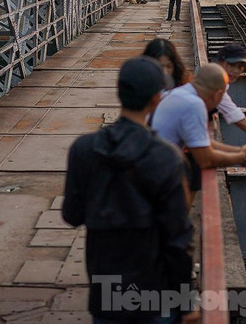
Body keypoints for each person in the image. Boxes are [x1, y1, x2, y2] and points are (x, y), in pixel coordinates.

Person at [62, 57, 194, 323]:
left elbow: (72, 215)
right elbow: (178, 239)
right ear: (157, 99)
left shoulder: (84, 149)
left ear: (119, 92)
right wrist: (186, 301)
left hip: (105, 293)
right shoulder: (166, 157)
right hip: (154, 293)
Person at [151, 63, 246, 194]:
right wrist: (241, 158)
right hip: (156, 180)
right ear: (218, 94)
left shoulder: (180, 93)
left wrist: (240, 151)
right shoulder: (194, 105)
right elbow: (205, 159)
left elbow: (203, 143)